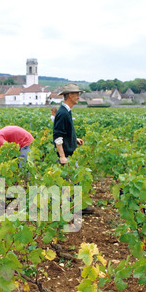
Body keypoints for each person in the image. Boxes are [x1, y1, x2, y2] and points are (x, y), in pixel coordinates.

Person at [53, 83, 94, 214]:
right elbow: (58, 136)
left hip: (69, 153)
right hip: (66, 155)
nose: (78, 97)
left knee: (73, 181)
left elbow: (64, 132)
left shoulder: (67, 111)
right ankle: (73, 209)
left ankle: (74, 207)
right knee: (72, 181)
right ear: (70, 95)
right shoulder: (63, 113)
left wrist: (73, 139)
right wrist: (62, 156)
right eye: (76, 94)